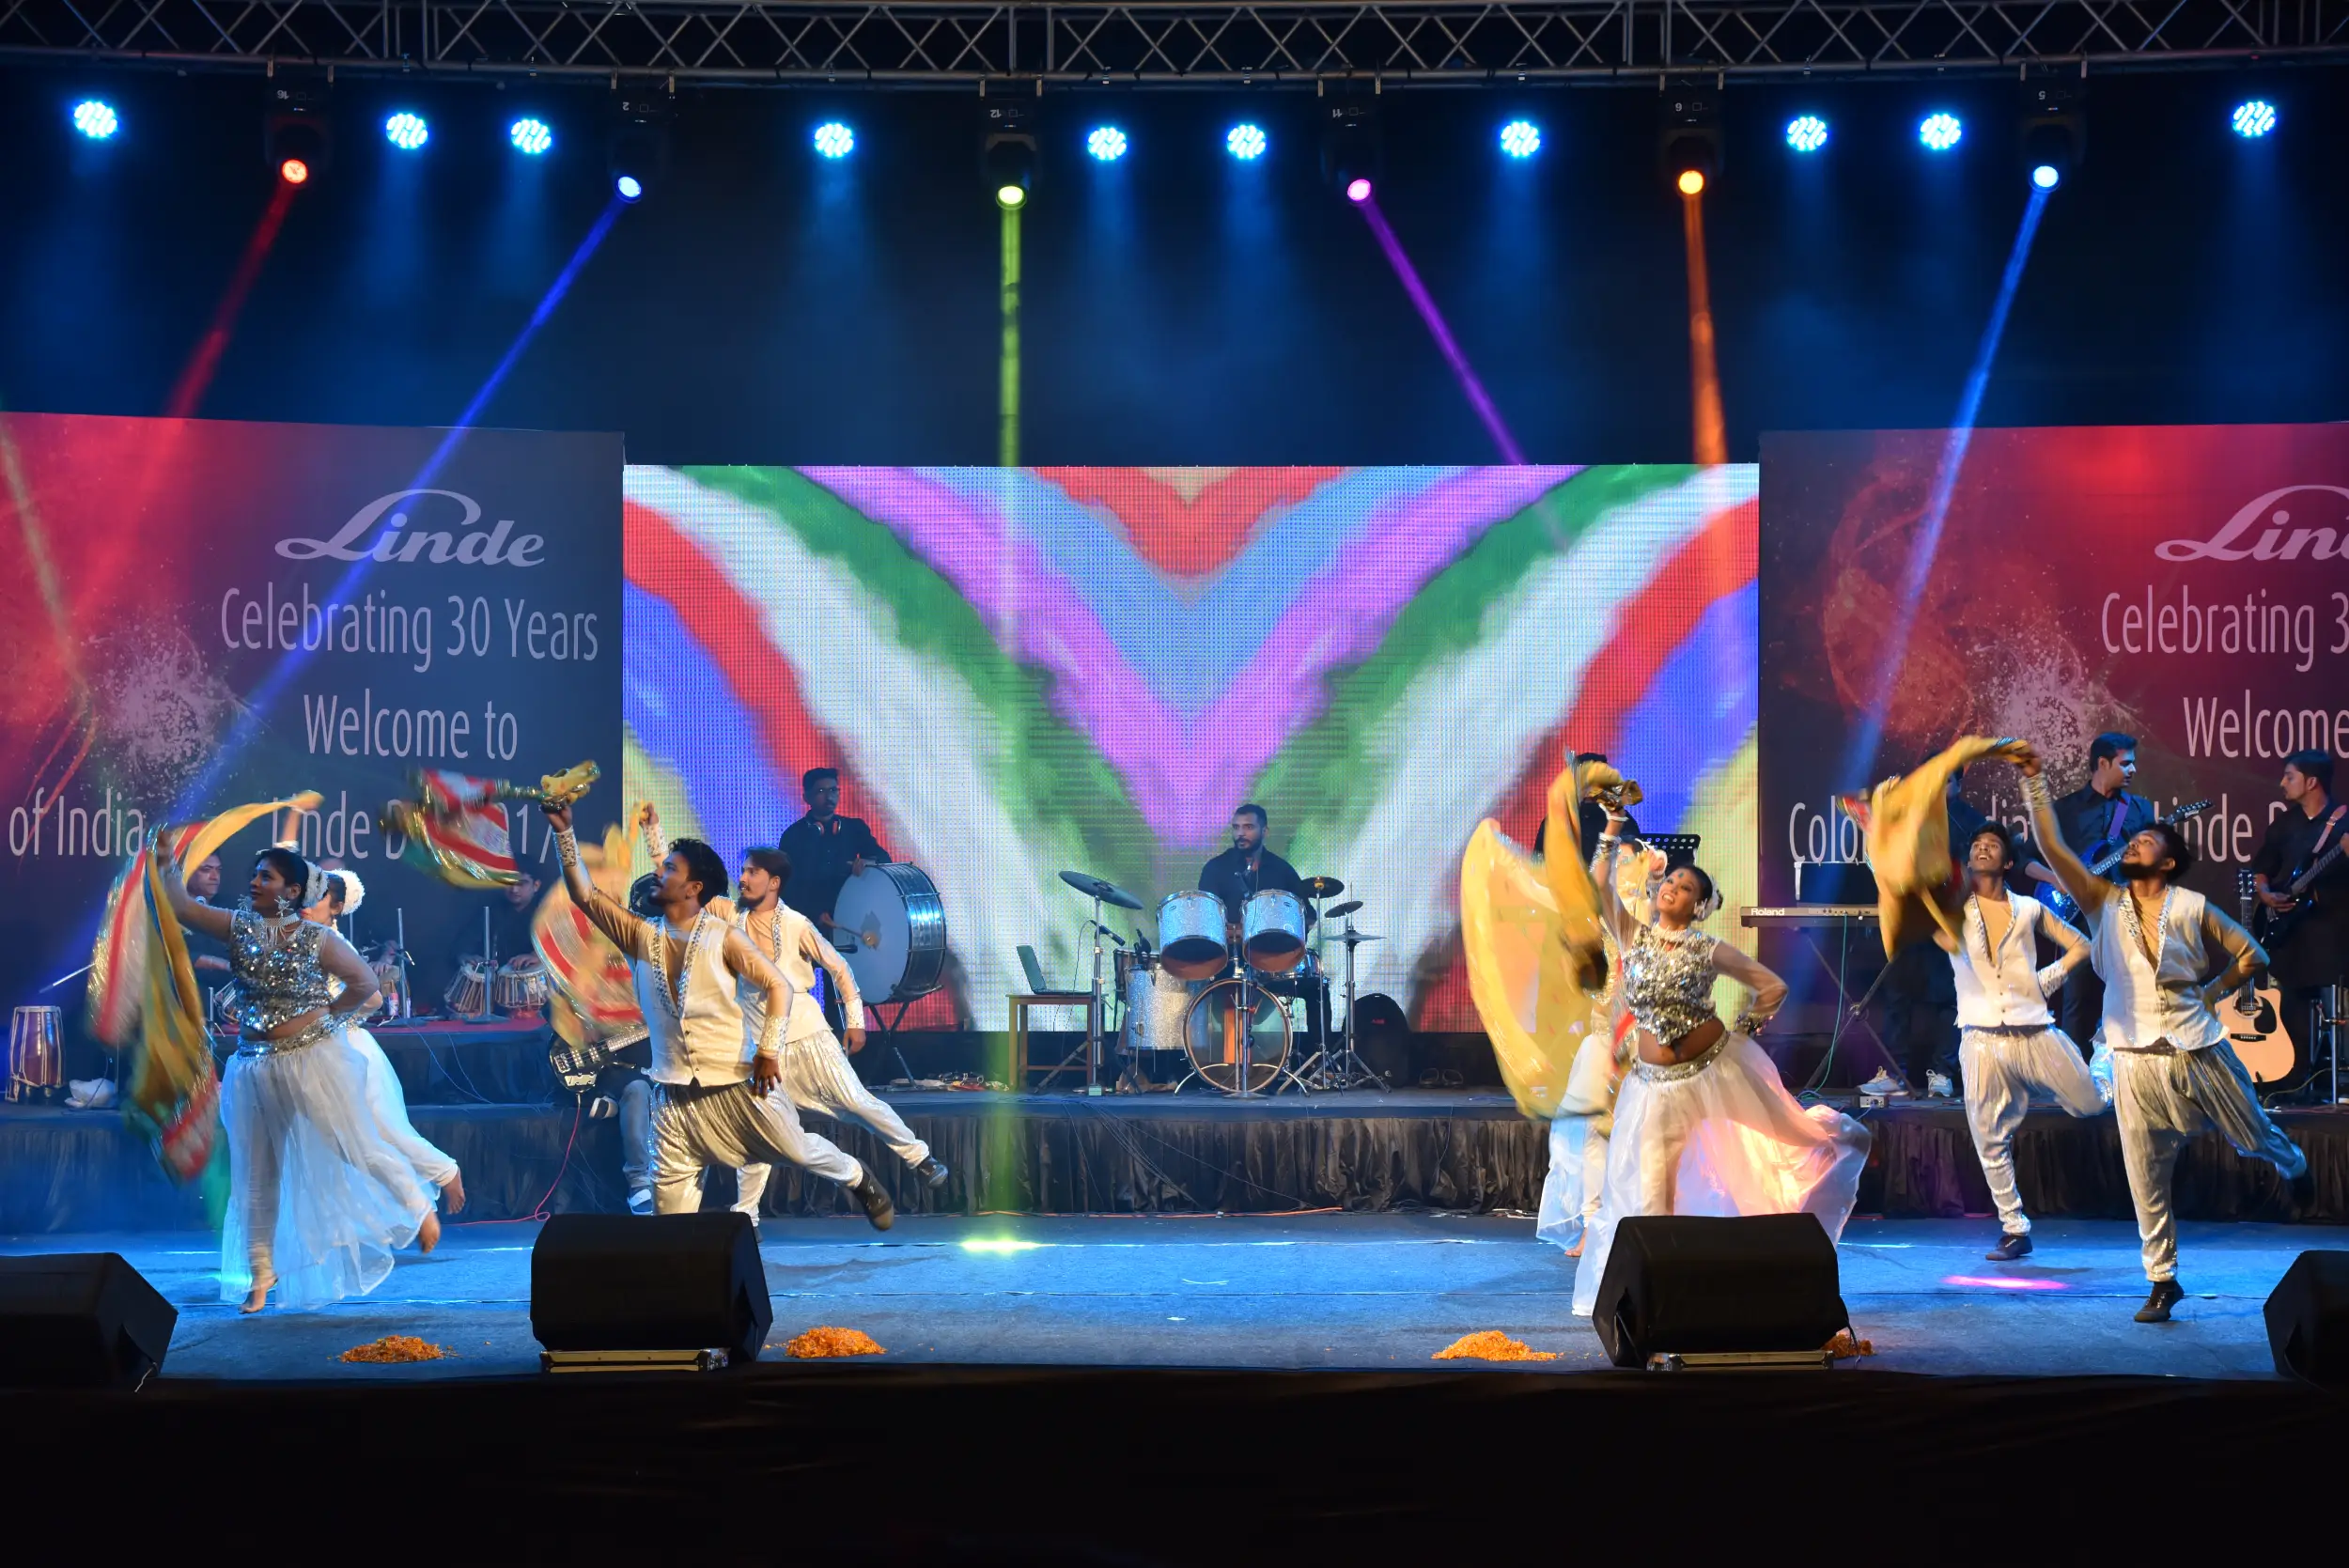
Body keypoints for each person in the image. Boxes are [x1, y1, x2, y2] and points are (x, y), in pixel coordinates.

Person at [2018, 743, 2311, 1322]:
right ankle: (2162, 1279)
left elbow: (2250, 954)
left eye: (2145, 842)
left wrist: (2211, 991)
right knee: (2144, 1172)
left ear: (2169, 862)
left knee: (2252, 1135)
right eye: (2133, 841)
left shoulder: (2192, 906)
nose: (2134, 845)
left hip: (2197, 1049)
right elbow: (2051, 846)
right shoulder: (2102, 904)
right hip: (2132, 1058)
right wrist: (2033, 780)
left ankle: (2293, 1164)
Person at [1570, 804, 1871, 1320]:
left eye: (1688, 888)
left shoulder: (1710, 949)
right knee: (1653, 1193)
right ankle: (1655, 1299)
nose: (1675, 888)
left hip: (1716, 1072)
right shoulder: (1633, 936)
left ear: (1701, 905)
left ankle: (1840, 1140)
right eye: (1672, 881)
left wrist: (1745, 1032)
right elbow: (1599, 886)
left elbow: (1772, 986)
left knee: (1792, 1138)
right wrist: (1614, 827)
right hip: (1655, 1088)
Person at [542, 799, 896, 1228]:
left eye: (670, 869)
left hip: (739, 1087)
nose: (659, 872)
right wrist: (564, 831)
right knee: (667, 1227)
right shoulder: (638, 936)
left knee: (798, 1150)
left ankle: (857, 1176)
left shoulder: (725, 937)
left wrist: (768, 1052)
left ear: (694, 889)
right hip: (673, 1102)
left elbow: (778, 986)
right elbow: (584, 894)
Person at [162, 844, 445, 1313]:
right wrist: (167, 864)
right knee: (255, 1177)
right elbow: (182, 907)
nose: (254, 882)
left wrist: (326, 1021)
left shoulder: (317, 938)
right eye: (254, 874)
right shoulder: (238, 927)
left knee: (352, 1144)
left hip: (311, 1061)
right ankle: (259, 1277)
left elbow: (366, 987)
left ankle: (418, 1207)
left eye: (266, 877)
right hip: (253, 1065)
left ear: (292, 891)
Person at [722, 845, 950, 1221]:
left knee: (858, 1103)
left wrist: (856, 1021)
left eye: (752, 872)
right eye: (742, 871)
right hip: (762, 1050)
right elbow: (685, 891)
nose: (743, 878)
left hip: (809, 1038)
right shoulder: (730, 919)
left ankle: (919, 1157)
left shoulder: (796, 924)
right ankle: (746, 1216)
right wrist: (654, 834)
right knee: (759, 1130)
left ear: (774, 882)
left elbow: (840, 968)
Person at [1947, 823, 2105, 1262]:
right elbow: (1900, 887)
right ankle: (2015, 1229)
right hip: (1980, 1037)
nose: (1982, 849)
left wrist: (2046, 980)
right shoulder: (1950, 912)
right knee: (1988, 1135)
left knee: (2091, 1104)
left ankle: (2106, 1059)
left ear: (2009, 861)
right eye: (1976, 845)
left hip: (2034, 1030)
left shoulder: (2030, 909)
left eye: (1992, 845)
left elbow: (2082, 945)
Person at [302, 872, 467, 1220]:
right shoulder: (307, 940)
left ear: (334, 909)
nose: (304, 904)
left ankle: (444, 1171)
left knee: (383, 1129)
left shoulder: (335, 945)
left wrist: (333, 1014)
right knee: (330, 1139)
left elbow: (374, 998)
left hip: (349, 1049)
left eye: (314, 899)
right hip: (318, 1050)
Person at [2022, 732, 2154, 1051]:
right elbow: (2024, 861)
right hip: (2079, 918)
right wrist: (2057, 880)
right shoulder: (2066, 810)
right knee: (2078, 997)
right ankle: (2075, 1075)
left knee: (2132, 995)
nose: (2133, 770)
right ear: (2103, 763)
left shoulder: (2140, 810)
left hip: (2126, 913)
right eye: (2126, 764)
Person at [1878, 764, 1987, 1097]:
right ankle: (1894, 1074)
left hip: (1948, 922)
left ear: (1958, 784)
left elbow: (1980, 871)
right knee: (1898, 995)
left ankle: (1942, 1072)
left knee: (1948, 999)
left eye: (1945, 781)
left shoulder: (1971, 822)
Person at [2250, 750, 2349, 1090]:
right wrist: (2265, 893)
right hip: (2291, 931)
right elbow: (2261, 867)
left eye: (2289, 776)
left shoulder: (2343, 823)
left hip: (2333, 929)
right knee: (2291, 999)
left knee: (2334, 996)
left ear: (2311, 782)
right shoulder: (2285, 823)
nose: (2282, 783)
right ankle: (2294, 1076)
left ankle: (2334, 1078)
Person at [776, 768, 890, 937]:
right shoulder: (793, 836)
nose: (829, 797)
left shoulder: (854, 828)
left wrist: (867, 862)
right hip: (810, 923)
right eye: (821, 791)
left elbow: (884, 859)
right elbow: (786, 887)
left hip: (851, 915)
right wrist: (814, 914)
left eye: (833, 790)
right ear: (806, 797)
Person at [1198, 803, 1313, 937]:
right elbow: (1205, 917)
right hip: (1228, 953)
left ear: (1264, 831)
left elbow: (1308, 915)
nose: (1240, 833)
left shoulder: (1282, 870)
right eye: (1236, 827)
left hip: (1273, 952)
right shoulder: (1215, 868)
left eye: (1248, 827)